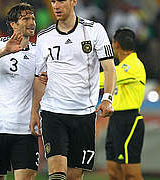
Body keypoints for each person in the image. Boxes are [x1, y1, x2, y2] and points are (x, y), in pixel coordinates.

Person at [29, 0, 116, 180]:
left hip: (84, 113)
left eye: (61, 1)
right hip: (53, 112)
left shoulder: (94, 30)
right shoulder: (44, 37)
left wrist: (107, 98)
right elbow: (39, 77)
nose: (56, 6)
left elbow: (109, 68)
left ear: (74, 1)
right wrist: (34, 111)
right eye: (53, 1)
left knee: (74, 176)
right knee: (57, 172)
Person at [0, 3, 39, 180]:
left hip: (25, 128)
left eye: (33, 18)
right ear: (13, 24)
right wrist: (5, 51)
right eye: (25, 18)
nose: (31, 22)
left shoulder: (39, 51)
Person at [100, 28, 146, 180]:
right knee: (114, 173)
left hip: (129, 121)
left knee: (131, 174)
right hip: (115, 120)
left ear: (116, 44)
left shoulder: (133, 65)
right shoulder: (121, 67)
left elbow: (104, 78)